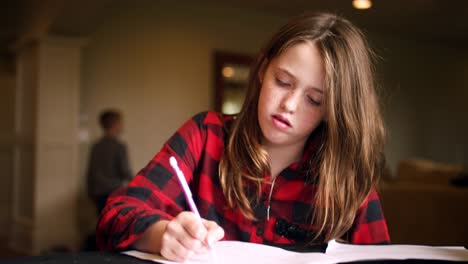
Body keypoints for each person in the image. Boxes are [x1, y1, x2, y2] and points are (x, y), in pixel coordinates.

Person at [96, 12, 390, 262]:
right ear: (263, 70)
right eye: (283, 82)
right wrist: (162, 234)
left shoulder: (347, 176)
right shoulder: (205, 135)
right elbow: (116, 215)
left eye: (314, 100)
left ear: (333, 110)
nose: (289, 105)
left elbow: (381, 257)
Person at [86, 109, 133, 214]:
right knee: (113, 225)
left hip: (97, 192)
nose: (122, 125)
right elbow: (125, 171)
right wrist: (138, 183)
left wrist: (90, 192)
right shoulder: (118, 146)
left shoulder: (96, 146)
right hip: (114, 192)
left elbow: (90, 172)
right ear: (115, 124)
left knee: (102, 222)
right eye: (120, 122)